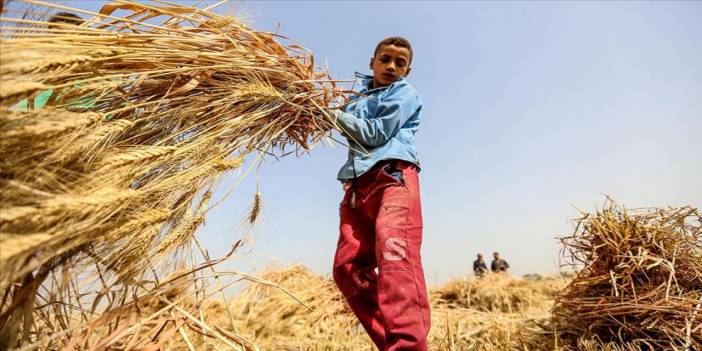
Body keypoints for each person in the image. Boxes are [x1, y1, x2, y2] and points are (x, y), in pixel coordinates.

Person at [329, 37, 429, 350]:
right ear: (372, 61)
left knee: (394, 256)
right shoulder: (355, 96)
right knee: (348, 270)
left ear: (408, 70)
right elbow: (338, 121)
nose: (391, 67)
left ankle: (408, 345)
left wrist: (329, 114)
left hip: (393, 179)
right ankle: (391, 343)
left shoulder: (404, 93)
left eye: (400, 63)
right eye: (385, 59)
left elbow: (375, 134)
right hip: (358, 187)